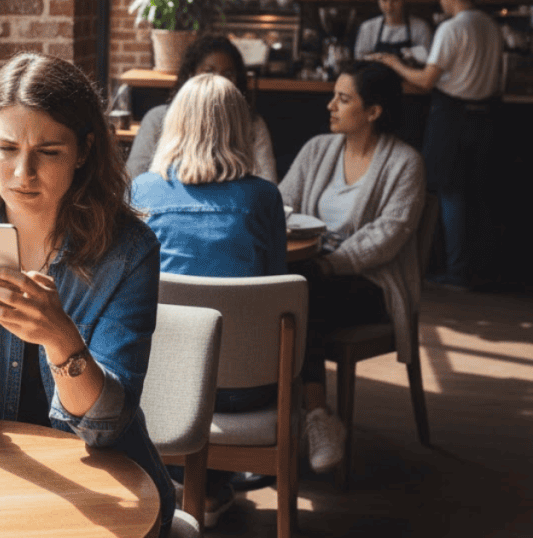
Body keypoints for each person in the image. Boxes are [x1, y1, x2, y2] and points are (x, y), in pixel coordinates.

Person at [0, 53, 176, 535]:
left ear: (84, 150)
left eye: (48, 152)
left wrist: (60, 340)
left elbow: (107, 425)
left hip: (107, 490)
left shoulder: (128, 252)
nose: (22, 174)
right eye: (6, 148)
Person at [130, 73, 286, 528]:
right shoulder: (263, 199)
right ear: (239, 128)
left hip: (160, 387)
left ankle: (188, 484)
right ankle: (211, 487)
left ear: (174, 123)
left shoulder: (142, 192)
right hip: (245, 391)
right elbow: (274, 294)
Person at [279, 61, 425, 474]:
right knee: (292, 294)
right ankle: (305, 418)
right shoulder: (317, 149)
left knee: (299, 296)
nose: (331, 105)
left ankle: (309, 418)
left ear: (373, 111)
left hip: (372, 284)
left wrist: (331, 264)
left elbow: (389, 236)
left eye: (344, 99)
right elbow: (281, 203)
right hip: (314, 274)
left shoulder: (405, 163)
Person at [370, 0, 502, 290]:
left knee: (448, 192)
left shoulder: (452, 28)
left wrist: (393, 63)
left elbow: (427, 81)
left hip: (453, 116)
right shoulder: (490, 26)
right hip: (487, 116)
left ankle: (454, 273)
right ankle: (480, 271)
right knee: (478, 194)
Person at [126, 34, 277, 183]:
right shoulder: (158, 119)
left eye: (228, 74)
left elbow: (268, 181)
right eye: (208, 72)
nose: (218, 81)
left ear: (238, 80)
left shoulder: (253, 124)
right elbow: (133, 181)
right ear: (191, 76)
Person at [354, 0, 432, 62]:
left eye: (395, 1)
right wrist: (375, 57)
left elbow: (427, 60)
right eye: (384, 1)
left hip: (409, 80)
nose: (389, 6)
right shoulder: (368, 27)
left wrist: (412, 54)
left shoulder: (421, 27)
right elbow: (359, 59)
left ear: (403, 1)